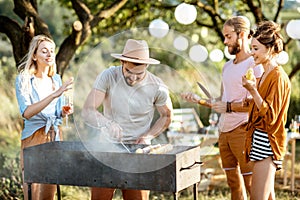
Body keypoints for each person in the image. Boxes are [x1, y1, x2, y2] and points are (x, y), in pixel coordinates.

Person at [181, 16, 264, 200]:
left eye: (228, 36)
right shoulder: (227, 67)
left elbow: (255, 104)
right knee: (233, 184)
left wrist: (227, 106)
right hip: (224, 132)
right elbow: (220, 100)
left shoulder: (254, 64)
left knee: (252, 186)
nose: (225, 41)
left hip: (243, 131)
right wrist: (199, 100)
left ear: (242, 34)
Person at [81, 39, 173, 200]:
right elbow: (88, 110)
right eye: (128, 71)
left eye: (139, 74)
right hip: (107, 149)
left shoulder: (158, 86)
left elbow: (166, 116)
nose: (133, 78)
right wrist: (107, 123)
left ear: (147, 66)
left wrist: (148, 136)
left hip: (139, 154)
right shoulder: (108, 76)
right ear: (122, 61)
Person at [15, 35, 74, 200]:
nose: (49, 54)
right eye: (44, 51)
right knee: (32, 192)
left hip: (54, 136)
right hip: (34, 137)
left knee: (49, 191)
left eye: (52, 51)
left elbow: (57, 112)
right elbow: (26, 112)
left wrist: (63, 112)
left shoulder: (56, 79)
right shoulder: (24, 79)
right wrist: (55, 94)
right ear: (34, 55)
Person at [242, 21, 291, 200]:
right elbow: (262, 106)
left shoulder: (278, 77)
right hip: (259, 140)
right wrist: (251, 98)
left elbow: (271, 116)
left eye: (255, 48)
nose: (252, 53)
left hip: (268, 143)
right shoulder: (263, 74)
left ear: (270, 49)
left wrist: (253, 91)